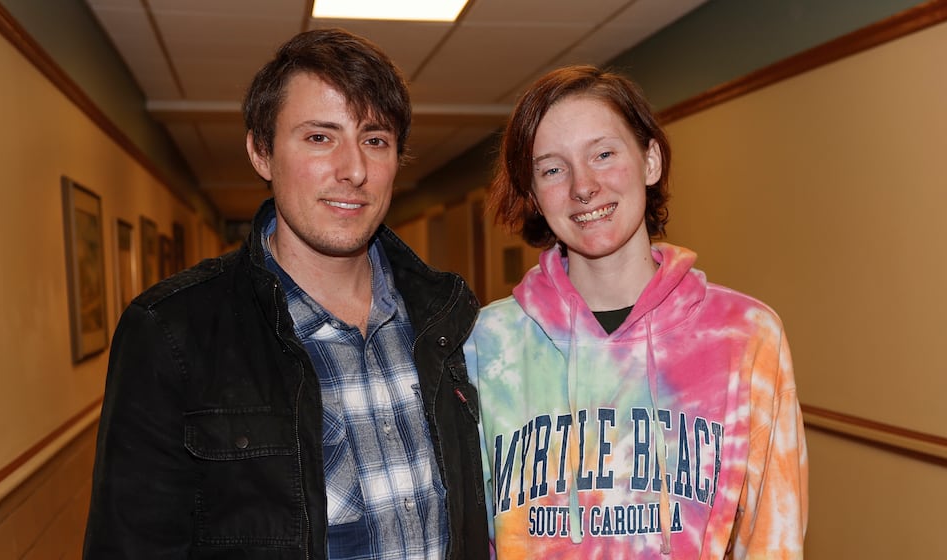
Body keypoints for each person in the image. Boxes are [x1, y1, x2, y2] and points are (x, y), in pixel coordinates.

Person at [84, 28, 488, 559]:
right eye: (320, 137)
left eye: (375, 140)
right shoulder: (171, 333)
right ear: (261, 152)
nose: (354, 170)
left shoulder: (448, 318)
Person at [463, 65, 808, 559]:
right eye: (553, 169)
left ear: (650, 161)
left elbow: (774, 539)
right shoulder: (487, 343)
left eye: (603, 154)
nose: (583, 186)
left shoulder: (744, 336)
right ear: (535, 195)